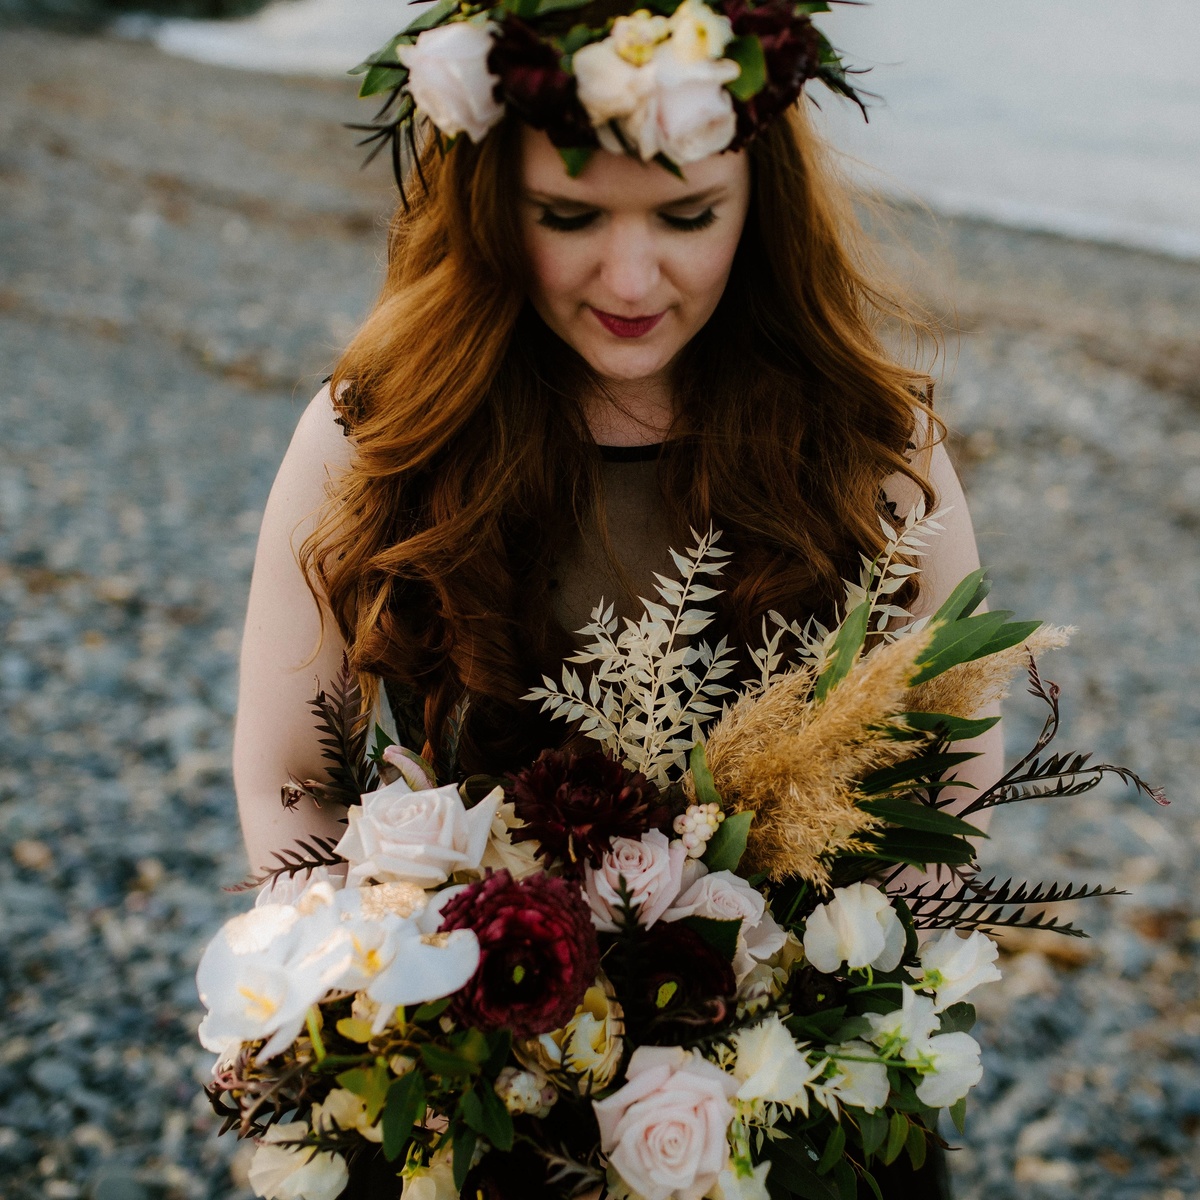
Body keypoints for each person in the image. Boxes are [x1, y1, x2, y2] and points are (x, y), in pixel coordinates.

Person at [233, 6, 1000, 1196]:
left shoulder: (872, 441)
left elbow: (953, 755)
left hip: (794, 1109)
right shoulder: (376, 431)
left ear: (759, 200)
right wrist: (372, 1001)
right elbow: (290, 773)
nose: (632, 277)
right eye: (571, 218)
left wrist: (837, 1003)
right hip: (475, 1105)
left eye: (689, 217)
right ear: (493, 210)